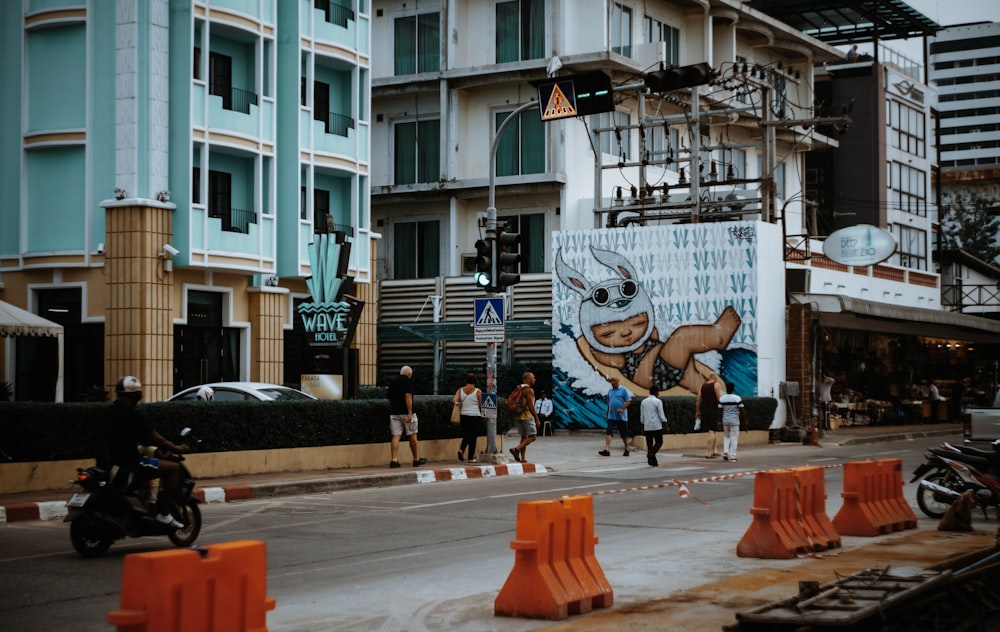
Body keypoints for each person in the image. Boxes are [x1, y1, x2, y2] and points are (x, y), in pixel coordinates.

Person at [98, 376, 189, 529]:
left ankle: (144, 503)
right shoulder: (133, 415)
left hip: (106, 466)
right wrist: (177, 448)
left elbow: (133, 440)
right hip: (128, 467)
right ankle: (164, 514)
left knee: (151, 465)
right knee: (173, 468)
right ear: (135, 396)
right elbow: (155, 438)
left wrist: (157, 452)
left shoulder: (107, 413)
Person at [388, 365, 426, 468]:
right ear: (408, 373)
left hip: (394, 412)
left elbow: (389, 399)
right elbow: (408, 396)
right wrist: (410, 412)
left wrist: (392, 408)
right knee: (412, 435)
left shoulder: (393, 382)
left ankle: (394, 459)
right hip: (406, 412)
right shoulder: (408, 382)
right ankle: (416, 459)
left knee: (396, 435)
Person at [509, 372, 539, 463]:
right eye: (532, 378)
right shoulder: (529, 390)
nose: (534, 379)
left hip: (518, 416)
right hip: (527, 416)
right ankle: (516, 449)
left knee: (524, 437)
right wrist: (537, 419)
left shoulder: (519, 388)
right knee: (533, 437)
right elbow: (531, 406)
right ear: (527, 379)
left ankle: (523, 458)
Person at [599, 376, 632, 457]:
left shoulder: (623, 390)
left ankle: (627, 448)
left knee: (624, 433)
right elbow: (609, 403)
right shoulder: (610, 391)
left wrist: (622, 409)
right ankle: (607, 449)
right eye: (611, 382)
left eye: (614, 382)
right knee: (609, 431)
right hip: (612, 416)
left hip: (621, 416)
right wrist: (607, 414)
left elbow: (628, 401)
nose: (612, 384)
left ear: (617, 381)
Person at [453, 372, 482, 462]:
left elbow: (454, 400)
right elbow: (481, 404)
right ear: (475, 381)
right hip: (475, 416)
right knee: (473, 437)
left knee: (466, 434)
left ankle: (461, 449)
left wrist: (460, 404)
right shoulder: (478, 391)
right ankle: (470, 458)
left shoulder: (460, 390)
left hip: (464, 415)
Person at [697, 372, 724, 458]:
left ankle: (714, 449)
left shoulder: (703, 386)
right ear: (715, 377)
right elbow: (719, 398)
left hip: (705, 410)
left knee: (713, 430)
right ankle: (708, 452)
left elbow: (698, 399)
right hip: (714, 410)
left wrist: (698, 411)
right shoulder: (716, 385)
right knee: (712, 431)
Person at [640, 385, 668, 467]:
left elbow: (642, 416)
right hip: (656, 426)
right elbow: (661, 415)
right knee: (659, 442)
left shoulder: (643, 402)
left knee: (649, 444)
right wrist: (665, 424)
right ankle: (651, 454)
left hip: (647, 426)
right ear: (656, 392)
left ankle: (652, 461)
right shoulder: (658, 401)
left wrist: (642, 426)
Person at [718, 380, 745, 462]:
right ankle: (732, 455)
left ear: (726, 388)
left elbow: (720, 411)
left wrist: (719, 421)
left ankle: (725, 451)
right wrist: (745, 419)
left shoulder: (722, 398)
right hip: (734, 421)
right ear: (733, 389)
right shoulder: (737, 398)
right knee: (734, 438)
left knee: (726, 436)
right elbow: (742, 409)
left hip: (725, 420)